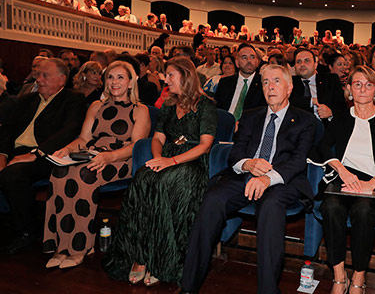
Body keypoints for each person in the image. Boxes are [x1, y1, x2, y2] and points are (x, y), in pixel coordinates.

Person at [181, 64, 317, 294]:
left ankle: (268, 290)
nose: (270, 86)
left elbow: (297, 161)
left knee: (271, 206)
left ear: (289, 88)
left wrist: (267, 179)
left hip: (282, 181)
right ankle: (188, 285)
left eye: (276, 81)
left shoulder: (305, 120)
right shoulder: (251, 115)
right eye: (265, 82)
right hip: (245, 175)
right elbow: (235, 152)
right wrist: (248, 164)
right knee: (213, 198)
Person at [104, 57, 217, 286]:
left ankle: (161, 260)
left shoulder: (206, 105)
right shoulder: (167, 105)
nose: (166, 80)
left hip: (191, 163)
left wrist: (172, 161)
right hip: (166, 158)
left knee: (163, 183)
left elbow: (205, 145)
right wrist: (158, 159)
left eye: (171, 75)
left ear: (185, 76)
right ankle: (140, 256)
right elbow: (157, 137)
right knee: (142, 179)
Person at [310, 65, 375, 294]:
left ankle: (359, 276)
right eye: (357, 84)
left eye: (368, 84)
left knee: (363, 209)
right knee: (331, 205)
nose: (363, 89)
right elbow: (323, 146)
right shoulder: (342, 118)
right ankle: (339, 276)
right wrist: (342, 170)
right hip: (345, 178)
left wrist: (370, 184)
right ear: (349, 90)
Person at [43, 61, 149, 268]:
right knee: (59, 172)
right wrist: (67, 150)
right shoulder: (96, 106)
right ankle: (61, 245)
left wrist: (110, 157)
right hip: (92, 153)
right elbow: (83, 138)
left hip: (121, 158)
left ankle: (80, 246)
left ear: (130, 83)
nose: (114, 82)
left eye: (120, 77)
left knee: (84, 175)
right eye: (110, 77)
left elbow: (137, 146)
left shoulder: (140, 109)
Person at [0, 59, 86, 254]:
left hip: (48, 154)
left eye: (45, 75)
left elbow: (68, 132)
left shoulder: (74, 100)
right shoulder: (27, 99)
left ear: (62, 79)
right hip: (15, 152)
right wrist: (2, 154)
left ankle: (28, 231)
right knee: (8, 168)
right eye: (38, 75)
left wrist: (36, 154)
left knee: (12, 175)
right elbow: (7, 130)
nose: (39, 79)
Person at [290, 48, 346, 126]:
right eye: (298, 62)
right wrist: (310, 101)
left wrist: (330, 113)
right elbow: (290, 104)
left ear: (315, 65)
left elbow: (341, 108)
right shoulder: (290, 83)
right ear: (295, 67)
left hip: (326, 129)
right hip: (298, 130)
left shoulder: (330, 80)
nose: (302, 64)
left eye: (307, 61)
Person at [215, 43, 265, 120]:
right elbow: (217, 109)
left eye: (252, 57)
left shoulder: (264, 84)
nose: (249, 61)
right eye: (244, 57)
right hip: (224, 124)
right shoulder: (225, 83)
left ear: (257, 62)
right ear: (237, 63)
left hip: (249, 127)